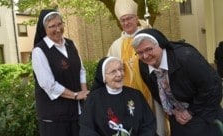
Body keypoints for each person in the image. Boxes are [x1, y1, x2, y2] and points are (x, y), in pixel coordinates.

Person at [132, 28, 223, 136]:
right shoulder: (144, 65)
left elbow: (213, 87)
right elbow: (156, 92)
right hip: (177, 116)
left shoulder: (186, 57)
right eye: (140, 52)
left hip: (203, 111)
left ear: (160, 45)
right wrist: (174, 111)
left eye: (149, 49)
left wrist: (190, 111)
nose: (145, 56)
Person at [107, 0, 168, 135]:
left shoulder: (149, 37)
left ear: (136, 18)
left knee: (156, 126)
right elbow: (109, 72)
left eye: (129, 18)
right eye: (123, 20)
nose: (126, 23)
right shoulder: (116, 46)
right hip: (128, 96)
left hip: (152, 92)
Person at [32, 9, 89, 136]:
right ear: (44, 29)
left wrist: (83, 93)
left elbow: (81, 70)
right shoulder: (39, 51)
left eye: (59, 24)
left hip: (77, 113)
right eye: (52, 26)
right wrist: (75, 95)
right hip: (55, 118)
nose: (57, 29)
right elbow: (49, 84)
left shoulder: (70, 44)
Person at [79, 56, 157, 136]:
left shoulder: (136, 95)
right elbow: (86, 129)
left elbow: (149, 123)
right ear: (104, 77)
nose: (119, 74)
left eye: (120, 69)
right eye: (113, 71)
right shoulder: (93, 99)